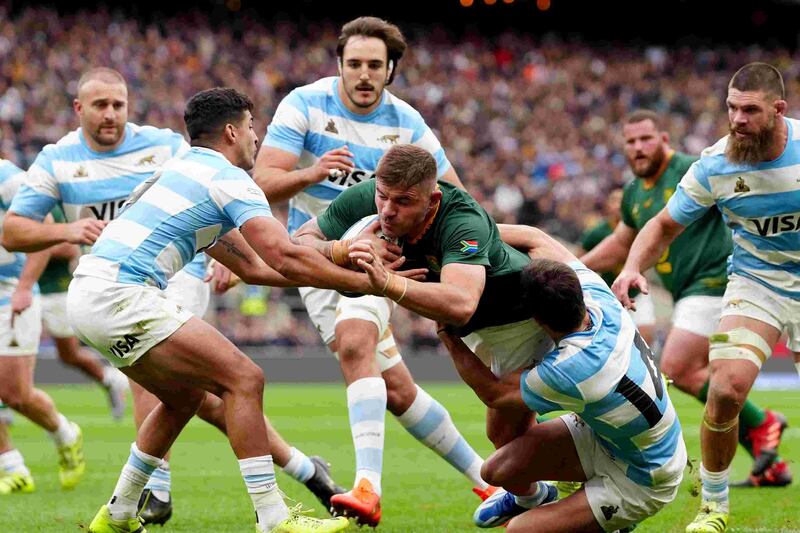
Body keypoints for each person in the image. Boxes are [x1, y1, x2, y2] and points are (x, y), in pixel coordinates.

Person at [2, 67, 344, 525]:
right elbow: (12, 231)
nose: (111, 114)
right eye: (100, 105)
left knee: (201, 388)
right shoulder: (56, 160)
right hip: (116, 278)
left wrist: (232, 248)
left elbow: (221, 188)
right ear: (78, 109)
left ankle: (139, 501)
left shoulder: (165, 145)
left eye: (119, 104)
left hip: (177, 271)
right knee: (219, 386)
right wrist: (69, 229)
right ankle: (283, 493)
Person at [66, 87, 394, 533]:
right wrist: (369, 280)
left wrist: (338, 259)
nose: (257, 139)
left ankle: (119, 513)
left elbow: (257, 268)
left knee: (183, 398)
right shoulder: (230, 179)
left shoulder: (180, 171)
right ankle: (274, 518)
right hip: (124, 293)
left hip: (88, 294)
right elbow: (284, 257)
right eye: (253, 127)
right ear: (231, 131)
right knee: (245, 378)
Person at [255, 16, 489, 526]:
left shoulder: (407, 123)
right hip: (316, 258)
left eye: (375, 66)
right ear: (339, 65)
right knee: (398, 389)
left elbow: (454, 196)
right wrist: (312, 173)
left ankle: (367, 489)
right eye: (355, 64)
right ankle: (486, 478)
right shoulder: (304, 104)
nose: (364, 75)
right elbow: (262, 182)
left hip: (380, 253)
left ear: (391, 71)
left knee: (357, 342)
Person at [295, 143, 559, 517]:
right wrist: (342, 249)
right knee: (502, 440)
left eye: (402, 201)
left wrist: (385, 282)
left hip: (530, 324)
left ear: (432, 200)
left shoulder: (461, 217)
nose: (387, 210)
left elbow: (461, 303)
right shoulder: (368, 201)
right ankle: (533, 498)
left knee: (570, 416)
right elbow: (301, 242)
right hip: (480, 333)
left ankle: (607, 493)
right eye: (382, 196)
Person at [612, 63, 797, 533]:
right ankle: (713, 507)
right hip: (758, 285)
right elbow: (663, 225)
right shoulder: (716, 164)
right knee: (724, 389)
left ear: (779, 110)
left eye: (750, 110)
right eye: (732, 108)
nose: (737, 119)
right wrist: (633, 266)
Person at [582, 110, 790, 488]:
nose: (638, 148)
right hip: (687, 292)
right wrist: (574, 269)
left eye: (646, 139)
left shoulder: (692, 168)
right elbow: (620, 244)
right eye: (630, 142)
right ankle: (769, 458)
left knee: (677, 366)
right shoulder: (634, 192)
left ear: (664, 139)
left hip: (716, 280)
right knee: (707, 378)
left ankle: (763, 424)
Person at [438, 225, 686, 532]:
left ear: (536, 321)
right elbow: (536, 238)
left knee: (518, 531)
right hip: (610, 437)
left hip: (643, 476)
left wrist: (447, 333)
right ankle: (540, 497)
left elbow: (495, 394)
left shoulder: (574, 369)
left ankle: (616, 517)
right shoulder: (598, 296)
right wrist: (454, 234)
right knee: (496, 470)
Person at [0, 158, 85, 496]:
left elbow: (45, 226)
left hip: (10, 293)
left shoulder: (8, 178)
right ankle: (12, 466)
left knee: (15, 393)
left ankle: (65, 433)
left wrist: (24, 286)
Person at [12, 205, 130, 420]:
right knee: (12, 352)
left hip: (55, 290)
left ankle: (107, 379)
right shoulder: (13, 208)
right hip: (16, 291)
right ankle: (10, 405)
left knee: (69, 355)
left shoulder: (55, 210)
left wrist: (27, 245)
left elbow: (69, 250)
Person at [578, 188, 656, 346]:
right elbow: (578, 260)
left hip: (637, 293)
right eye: (614, 200)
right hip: (608, 295)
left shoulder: (641, 228)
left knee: (647, 336)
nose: (618, 204)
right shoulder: (597, 232)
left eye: (622, 200)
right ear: (607, 205)